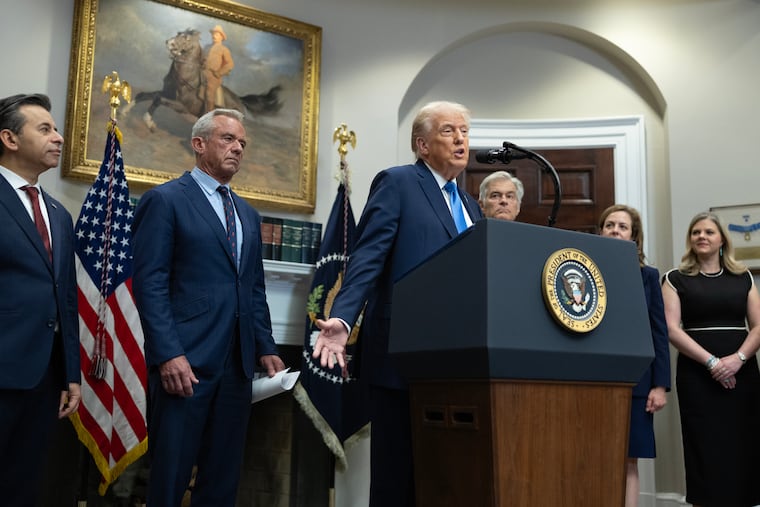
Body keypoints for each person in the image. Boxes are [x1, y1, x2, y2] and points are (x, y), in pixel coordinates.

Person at [312, 100, 483, 506]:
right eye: (448, 131)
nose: (460, 139)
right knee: (397, 479)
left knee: (442, 476)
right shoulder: (399, 183)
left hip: (459, 362)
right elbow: (368, 257)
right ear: (422, 145)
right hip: (403, 354)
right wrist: (342, 316)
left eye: (464, 131)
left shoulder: (471, 206)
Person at [132, 108, 286, 506]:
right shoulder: (164, 201)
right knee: (170, 476)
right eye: (227, 139)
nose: (237, 148)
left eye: (242, 143)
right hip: (186, 364)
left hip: (237, 368)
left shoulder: (248, 215)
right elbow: (149, 283)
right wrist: (168, 354)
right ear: (199, 144)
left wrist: (266, 346)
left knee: (222, 479)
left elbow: (253, 288)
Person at [0, 93, 81, 505]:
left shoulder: (58, 213)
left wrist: (71, 374)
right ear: (10, 139)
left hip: (44, 379)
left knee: (24, 486)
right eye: (45, 129)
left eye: (57, 129)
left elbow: (66, 298)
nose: (59, 138)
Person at [662, 211, 760, 507]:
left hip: (743, 372)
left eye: (708, 232)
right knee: (704, 443)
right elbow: (670, 328)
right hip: (697, 374)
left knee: (743, 441)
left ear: (721, 240)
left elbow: (758, 326)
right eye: (696, 232)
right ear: (690, 240)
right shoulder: (674, 278)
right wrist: (713, 363)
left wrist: (737, 359)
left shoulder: (743, 277)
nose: (701, 236)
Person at [598, 204, 670, 507]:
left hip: (637, 383)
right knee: (594, 456)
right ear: (600, 230)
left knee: (628, 460)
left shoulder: (649, 277)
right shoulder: (582, 269)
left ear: (634, 236)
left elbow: (658, 332)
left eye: (622, 226)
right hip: (593, 378)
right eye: (610, 224)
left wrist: (659, 384)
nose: (615, 230)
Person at [203, 25, 235, 112]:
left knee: (209, 94)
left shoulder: (224, 49)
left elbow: (230, 64)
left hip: (214, 77)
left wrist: (219, 73)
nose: (214, 36)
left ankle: (208, 115)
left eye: (216, 34)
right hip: (202, 73)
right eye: (213, 34)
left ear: (221, 37)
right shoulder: (206, 47)